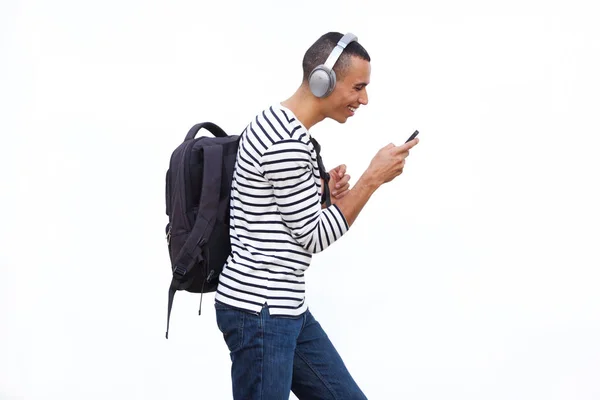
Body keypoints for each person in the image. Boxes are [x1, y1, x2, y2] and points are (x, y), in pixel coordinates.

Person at [214, 31, 420, 400]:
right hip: (261, 312)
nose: (365, 99)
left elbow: (278, 214)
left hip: (285, 307)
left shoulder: (277, 122)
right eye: (358, 87)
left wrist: (325, 194)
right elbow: (312, 236)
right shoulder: (287, 144)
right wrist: (372, 179)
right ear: (322, 79)